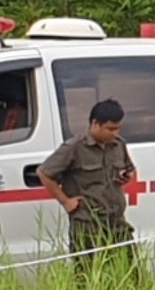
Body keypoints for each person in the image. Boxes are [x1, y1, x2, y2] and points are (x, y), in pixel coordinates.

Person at [37, 98, 137, 262]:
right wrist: (65, 201)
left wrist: (127, 175)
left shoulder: (118, 145)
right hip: (87, 223)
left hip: (116, 221)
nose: (115, 133)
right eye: (110, 129)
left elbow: (129, 168)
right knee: (87, 274)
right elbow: (44, 172)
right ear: (95, 124)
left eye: (118, 128)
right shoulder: (74, 147)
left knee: (128, 272)